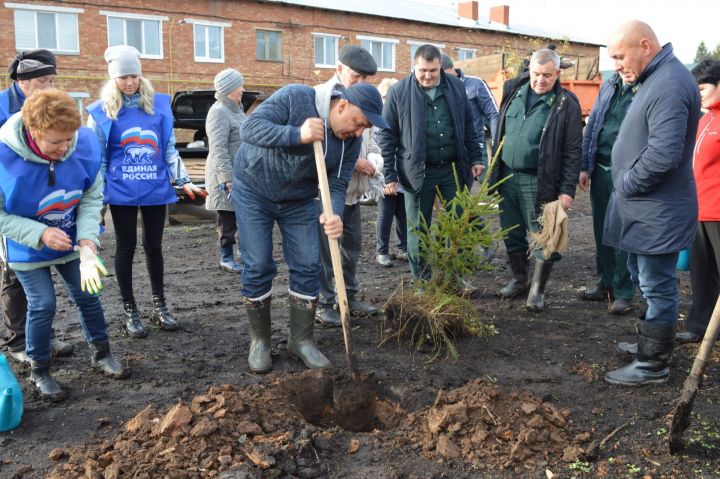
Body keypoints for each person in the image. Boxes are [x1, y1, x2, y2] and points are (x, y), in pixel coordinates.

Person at [233, 81, 388, 373]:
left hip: (299, 199)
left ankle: (301, 341)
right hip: (254, 190)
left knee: (308, 265)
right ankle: (260, 342)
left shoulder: (350, 141)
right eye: (358, 124)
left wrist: (336, 214)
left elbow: (339, 182)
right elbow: (249, 130)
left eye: (363, 129)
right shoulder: (296, 98)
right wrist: (298, 134)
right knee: (258, 264)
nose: (357, 133)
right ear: (342, 106)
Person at [0, 90, 129, 400]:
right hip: (27, 245)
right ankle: (39, 369)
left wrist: (87, 242)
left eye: (68, 140)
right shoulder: (5, 160)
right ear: (33, 132)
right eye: (55, 142)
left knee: (89, 292)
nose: (64, 148)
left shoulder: (82, 148)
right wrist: (39, 233)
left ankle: (101, 353)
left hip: (71, 240)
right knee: (43, 304)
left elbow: (90, 196)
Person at [602, 21, 700, 386]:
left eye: (619, 56)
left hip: (658, 210)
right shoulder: (657, 79)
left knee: (657, 285)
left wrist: (626, 182)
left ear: (644, 46)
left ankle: (653, 365)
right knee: (644, 280)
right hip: (646, 209)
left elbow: (664, 153)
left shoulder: (671, 83)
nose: (616, 65)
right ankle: (649, 343)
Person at [87, 45, 206, 339]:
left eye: (134, 76)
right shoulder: (102, 112)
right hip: (120, 191)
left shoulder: (158, 105)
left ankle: (159, 305)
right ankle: (130, 309)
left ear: (141, 75)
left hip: (155, 187)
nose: (129, 82)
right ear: (113, 78)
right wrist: (97, 198)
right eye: (123, 77)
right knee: (125, 248)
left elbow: (167, 149)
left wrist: (185, 180)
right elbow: (98, 158)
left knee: (154, 246)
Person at [379, 44, 484, 287]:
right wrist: (390, 175)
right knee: (418, 228)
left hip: (453, 169)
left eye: (433, 71)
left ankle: (456, 277)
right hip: (416, 171)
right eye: (423, 70)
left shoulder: (456, 87)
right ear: (414, 67)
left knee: (460, 224)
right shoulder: (399, 92)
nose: (428, 76)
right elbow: (387, 135)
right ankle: (422, 282)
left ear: (441, 68)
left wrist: (476, 157)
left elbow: (469, 125)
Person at [489, 48, 582, 312]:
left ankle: (537, 291)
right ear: (529, 70)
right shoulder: (513, 91)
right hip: (507, 176)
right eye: (537, 74)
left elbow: (573, 151)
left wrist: (567, 190)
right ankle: (519, 280)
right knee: (511, 231)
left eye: (547, 76)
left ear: (557, 74)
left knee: (545, 235)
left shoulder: (567, 105)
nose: (541, 80)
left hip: (539, 180)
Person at [0, 49, 74, 363]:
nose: (48, 86)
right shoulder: (4, 105)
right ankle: (17, 343)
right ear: (22, 81)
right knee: (14, 275)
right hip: (9, 202)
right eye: (43, 80)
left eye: (52, 80)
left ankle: (44, 335)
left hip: (44, 199)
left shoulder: (48, 103)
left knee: (42, 275)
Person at [315, 45, 381, 326]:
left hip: (353, 191)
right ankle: (324, 301)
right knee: (326, 250)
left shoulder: (365, 102)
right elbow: (324, 145)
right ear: (339, 69)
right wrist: (354, 161)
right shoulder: (322, 98)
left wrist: (371, 160)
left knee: (352, 247)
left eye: (365, 79)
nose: (360, 83)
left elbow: (371, 140)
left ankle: (348, 295)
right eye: (356, 76)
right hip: (327, 191)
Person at [578, 69, 638, 315]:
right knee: (602, 229)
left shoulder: (646, 87)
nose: (622, 65)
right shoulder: (609, 84)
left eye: (625, 58)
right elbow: (593, 125)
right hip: (601, 170)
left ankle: (624, 291)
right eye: (618, 59)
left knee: (623, 234)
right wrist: (585, 165)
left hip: (628, 173)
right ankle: (604, 283)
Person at [673, 59, 720, 344]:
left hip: (718, 211)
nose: (698, 93)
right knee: (702, 272)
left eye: (702, 88)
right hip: (698, 208)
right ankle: (700, 326)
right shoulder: (704, 119)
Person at [205, 68, 246, 273]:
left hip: (240, 173)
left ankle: (242, 252)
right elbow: (218, 148)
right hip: (224, 174)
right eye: (240, 86)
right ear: (229, 89)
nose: (243, 89)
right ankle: (226, 256)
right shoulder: (219, 111)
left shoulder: (236, 108)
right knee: (227, 218)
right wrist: (226, 178)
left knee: (243, 215)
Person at [375, 78, 407, 268]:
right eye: (384, 96)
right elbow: (380, 150)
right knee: (386, 213)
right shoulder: (378, 121)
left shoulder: (402, 116)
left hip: (403, 175)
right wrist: (388, 177)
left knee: (403, 213)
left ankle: (403, 248)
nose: (388, 100)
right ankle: (382, 251)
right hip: (386, 175)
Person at [441, 53, 498, 160]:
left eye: (444, 74)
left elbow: (493, 114)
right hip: (451, 150)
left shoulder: (475, 84)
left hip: (475, 148)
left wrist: (496, 142)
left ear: (451, 67)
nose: (443, 78)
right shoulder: (439, 87)